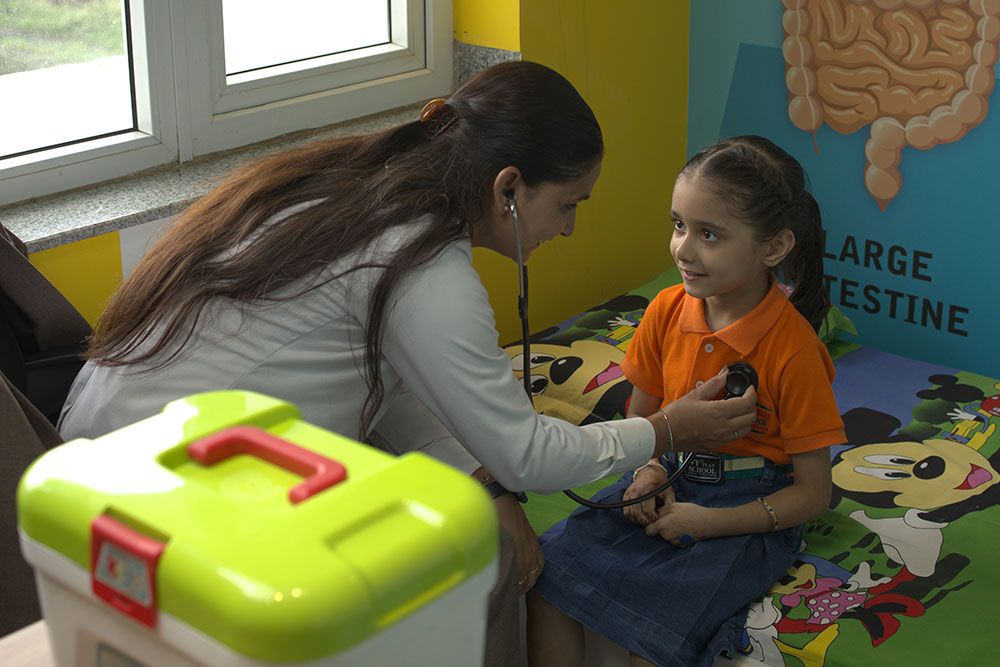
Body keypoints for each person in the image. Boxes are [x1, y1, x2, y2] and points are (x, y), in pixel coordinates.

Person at [58, 62, 759, 666]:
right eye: (566, 204)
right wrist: (668, 429)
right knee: (474, 567)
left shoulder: (362, 188)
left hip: (104, 443)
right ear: (508, 188)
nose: (568, 228)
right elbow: (532, 456)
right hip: (151, 490)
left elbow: (395, 379)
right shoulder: (427, 265)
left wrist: (487, 484)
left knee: (481, 537)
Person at [526, 135, 847, 667]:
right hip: (669, 470)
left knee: (648, 636)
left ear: (773, 248)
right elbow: (643, 417)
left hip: (746, 506)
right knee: (548, 574)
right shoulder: (664, 312)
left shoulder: (795, 352)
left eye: (710, 234)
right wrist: (649, 469)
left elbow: (813, 494)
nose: (683, 249)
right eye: (679, 225)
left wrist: (709, 522)